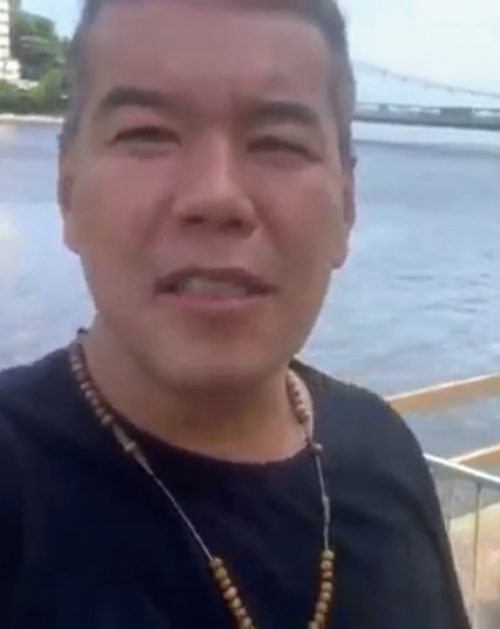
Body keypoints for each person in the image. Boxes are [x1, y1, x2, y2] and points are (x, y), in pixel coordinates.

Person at [0, 1, 470, 627]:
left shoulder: (382, 450)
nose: (216, 196)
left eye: (278, 143)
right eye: (147, 134)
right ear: (67, 193)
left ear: (348, 206)